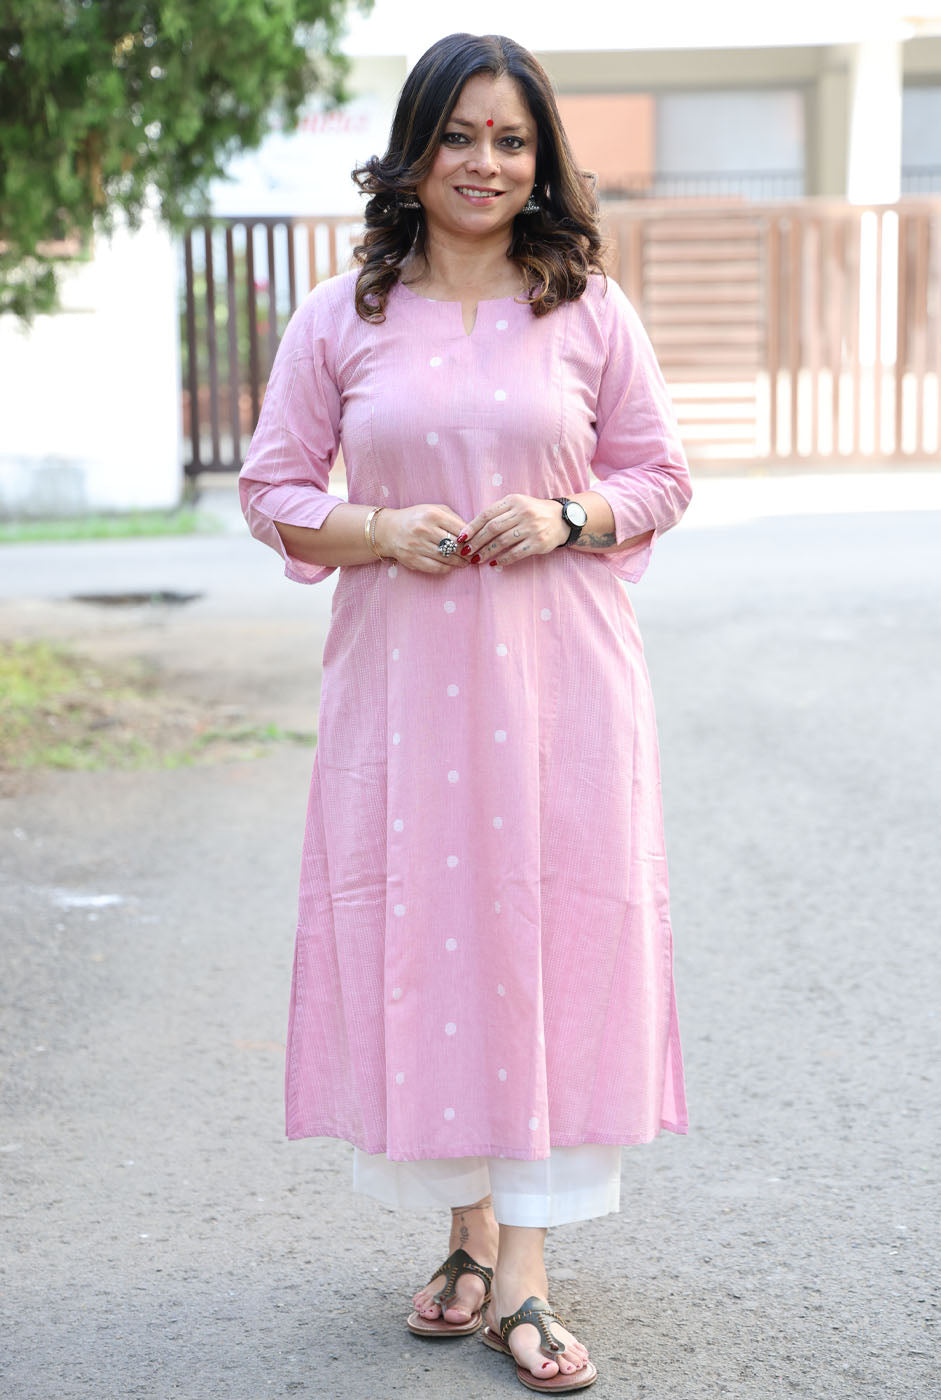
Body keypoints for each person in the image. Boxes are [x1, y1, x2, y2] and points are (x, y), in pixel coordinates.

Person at [239, 31, 691, 1394]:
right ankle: (465, 1234)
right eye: (458, 135)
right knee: (433, 937)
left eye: (510, 139)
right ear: (413, 151)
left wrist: (566, 514)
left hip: (564, 694)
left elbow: (659, 476)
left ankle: (525, 1276)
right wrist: (376, 529)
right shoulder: (343, 317)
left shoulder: (588, 310)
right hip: (404, 699)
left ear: (541, 160)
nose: (483, 163)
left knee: (548, 940)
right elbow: (273, 490)